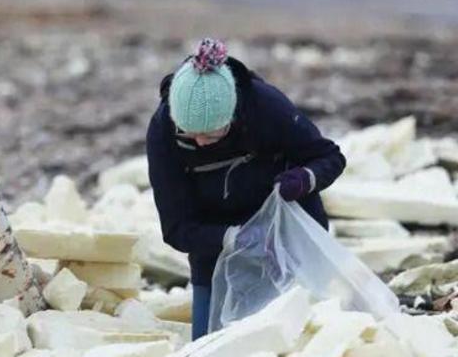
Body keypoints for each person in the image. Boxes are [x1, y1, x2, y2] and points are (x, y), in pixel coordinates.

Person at [146, 38, 347, 340]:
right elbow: (176, 228)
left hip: (287, 244)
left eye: (212, 133)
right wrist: (233, 238)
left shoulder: (265, 107)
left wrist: (305, 178)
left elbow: (330, 157)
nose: (200, 142)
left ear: (233, 114)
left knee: (296, 341)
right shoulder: (163, 133)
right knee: (210, 350)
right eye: (190, 133)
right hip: (215, 252)